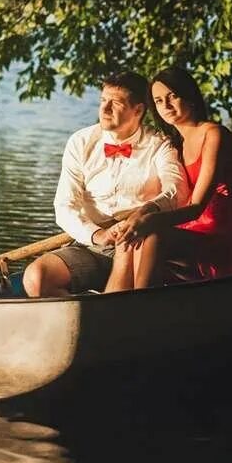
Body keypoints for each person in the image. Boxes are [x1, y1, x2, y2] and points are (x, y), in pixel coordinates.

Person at [22, 71, 189, 297]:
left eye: (116, 103)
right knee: (36, 279)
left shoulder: (159, 145)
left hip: (138, 240)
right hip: (90, 242)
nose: (105, 109)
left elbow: (176, 192)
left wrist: (144, 212)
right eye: (102, 101)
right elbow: (64, 207)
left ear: (138, 110)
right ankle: (84, 317)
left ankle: (113, 313)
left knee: (128, 253)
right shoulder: (80, 142)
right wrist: (98, 235)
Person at [107, 66, 232, 289]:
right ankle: (114, 305)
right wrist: (139, 215)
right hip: (195, 228)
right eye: (159, 101)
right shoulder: (175, 143)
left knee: (153, 234)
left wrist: (150, 220)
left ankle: (140, 306)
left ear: (189, 96)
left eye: (172, 96)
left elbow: (197, 207)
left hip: (227, 233)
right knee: (133, 237)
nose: (166, 105)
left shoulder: (213, 135)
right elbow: (172, 194)